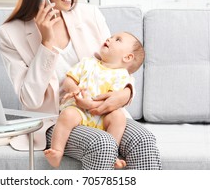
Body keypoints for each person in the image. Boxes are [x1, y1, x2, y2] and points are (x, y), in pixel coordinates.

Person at [0, 0, 162, 170]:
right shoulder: (10, 33)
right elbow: (30, 99)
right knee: (101, 144)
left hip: (99, 112)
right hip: (55, 120)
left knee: (144, 142)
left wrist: (125, 93)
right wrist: (47, 44)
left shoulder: (90, 15)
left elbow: (116, 65)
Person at [44, 31, 145, 169]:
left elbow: (111, 101)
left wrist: (90, 104)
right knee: (67, 115)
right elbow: (68, 80)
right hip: (79, 111)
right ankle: (57, 151)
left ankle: (112, 155)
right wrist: (74, 89)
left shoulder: (122, 76)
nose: (109, 38)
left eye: (118, 39)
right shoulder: (88, 63)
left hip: (103, 115)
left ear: (127, 57)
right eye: (111, 36)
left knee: (118, 117)